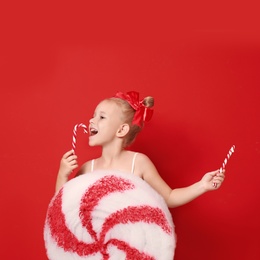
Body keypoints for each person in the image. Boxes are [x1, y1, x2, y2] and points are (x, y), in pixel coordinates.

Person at [55, 91, 225, 208]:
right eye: (93, 115)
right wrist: (62, 174)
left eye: (101, 117)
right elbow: (63, 206)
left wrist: (202, 185)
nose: (92, 121)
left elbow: (169, 197)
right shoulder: (87, 168)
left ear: (121, 130)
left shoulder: (138, 163)